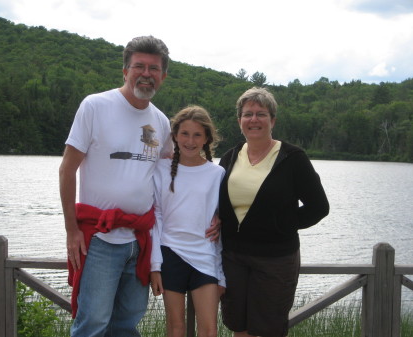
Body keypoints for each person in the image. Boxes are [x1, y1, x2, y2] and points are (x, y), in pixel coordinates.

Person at [59, 36, 218, 337]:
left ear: (163, 76)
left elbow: (181, 180)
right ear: (125, 70)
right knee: (93, 323)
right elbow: (67, 170)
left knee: (126, 324)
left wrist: (216, 213)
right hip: (100, 239)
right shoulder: (95, 106)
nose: (146, 74)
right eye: (139, 66)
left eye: (154, 68)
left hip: (141, 241)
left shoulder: (160, 122)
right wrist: (71, 230)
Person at [218, 87, 330, 337]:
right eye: (247, 114)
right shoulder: (230, 156)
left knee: (268, 328)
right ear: (239, 121)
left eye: (261, 114)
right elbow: (220, 203)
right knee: (238, 324)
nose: (254, 120)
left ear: (273, 120)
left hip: (275, 259)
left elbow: (319, 207)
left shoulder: (293, 158)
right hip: (234, 257)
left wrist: (282, 225)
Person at [150, 105, 226, 337]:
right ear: (174, 136)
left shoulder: (217, 174)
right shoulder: (160, 169)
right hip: (170, 255)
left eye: (197, 135)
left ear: (206, 139)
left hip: (205, 257)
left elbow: (219, 225)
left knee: (209, 329)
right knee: (175, 327)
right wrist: (155, 266)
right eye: (184, 133)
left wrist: (221, 273)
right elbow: (156, 217)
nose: (190, 141)